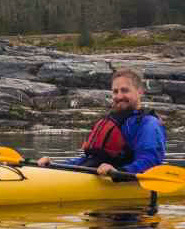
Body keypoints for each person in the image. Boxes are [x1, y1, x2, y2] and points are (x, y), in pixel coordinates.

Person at [37, 69, 165, 176]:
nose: (119, 96)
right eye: (115, 91)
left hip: (122, 179)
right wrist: (55, 165)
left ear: (140, 91)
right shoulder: (112, 120)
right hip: (97, 174)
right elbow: (91, 159)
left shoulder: (148, 124)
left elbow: (150, 162)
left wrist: (118, 172)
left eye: (125, 90)